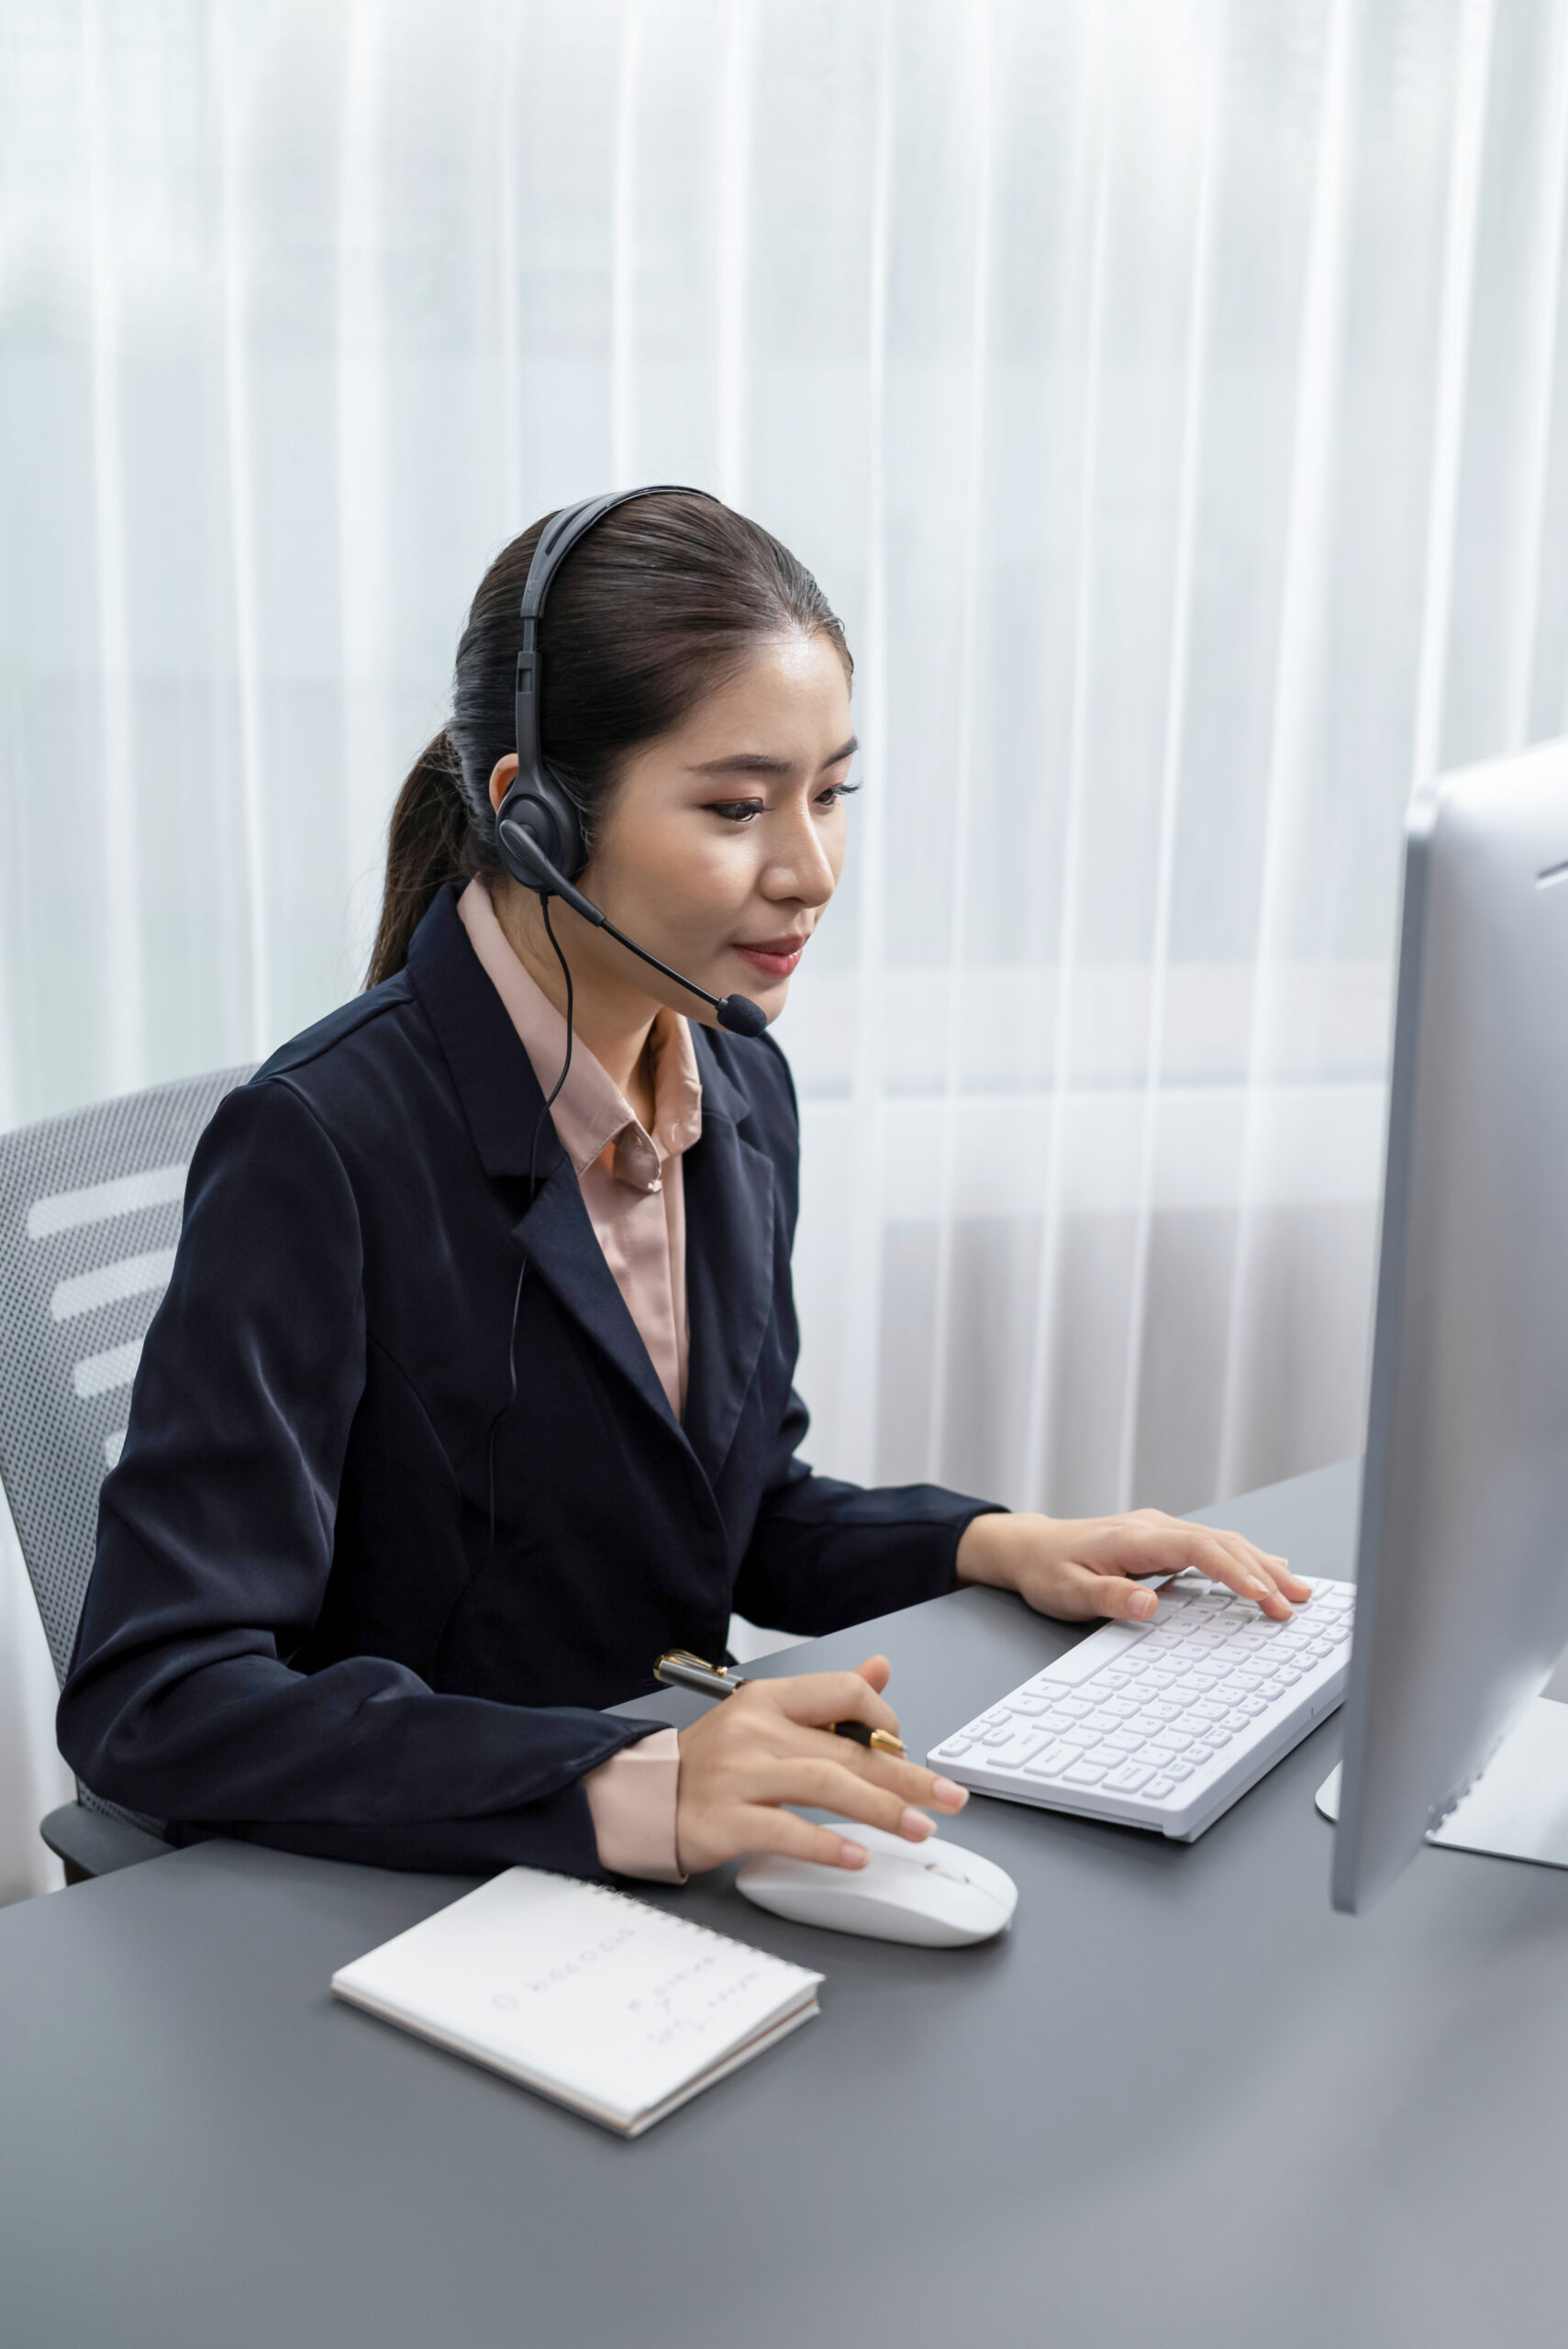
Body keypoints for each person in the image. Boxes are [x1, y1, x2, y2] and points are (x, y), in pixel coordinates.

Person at [58, 490, 1307, 1885]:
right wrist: (624, 1783)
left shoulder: (730, 1082)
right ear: (531, 813)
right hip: (413, 1890)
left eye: (831, 792)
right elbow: (154, 1700)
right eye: (735, 807)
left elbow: (737, 1511)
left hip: (655, 1870)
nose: (812, 869)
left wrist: (1002, 1545)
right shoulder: (321, 1145)